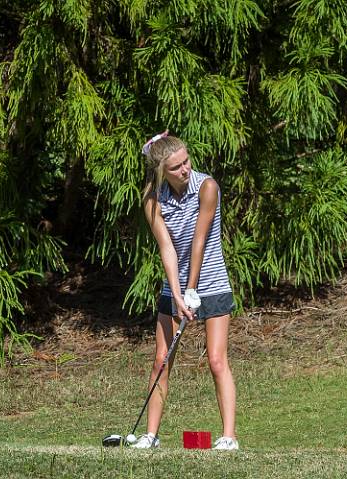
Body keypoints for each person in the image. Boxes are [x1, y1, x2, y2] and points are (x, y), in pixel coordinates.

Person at [132, 131, 239, 451]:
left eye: (187, 161)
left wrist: (192, 289)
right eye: (177, 166)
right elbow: (167, 248)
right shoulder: (153, 200)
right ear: (163, 170)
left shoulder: (207, 187)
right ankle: (150, 435)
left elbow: (199, 240)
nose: (185, 169)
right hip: (175, 288)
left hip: (213, 284)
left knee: (217, 360)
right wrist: (177, 294)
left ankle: (229, 437)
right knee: (161, 360)